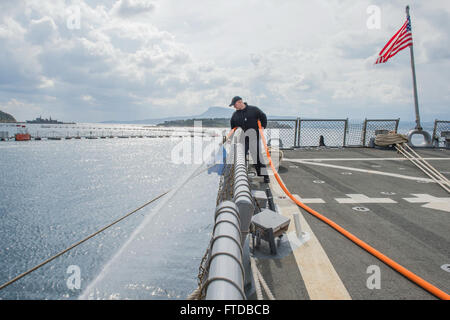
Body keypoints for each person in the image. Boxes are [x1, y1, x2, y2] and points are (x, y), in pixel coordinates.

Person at [229, 96, 270, 183]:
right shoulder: (235, 115)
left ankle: (265, 176)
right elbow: (233, 128)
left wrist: (262, 127)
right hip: (242, 140)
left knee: (257, 158)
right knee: (240, 157)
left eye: (234, 105)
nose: (234, 107)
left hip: (254, 138)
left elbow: (263, 117)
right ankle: (241, 177)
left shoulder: (254, 110)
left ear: (240, 102)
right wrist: (231, 138)